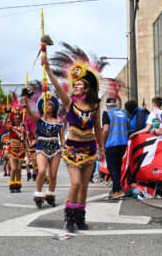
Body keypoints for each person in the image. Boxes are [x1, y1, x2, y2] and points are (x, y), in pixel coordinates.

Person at [42, 43, 105, 232]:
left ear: (85, 89)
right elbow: (55, 85)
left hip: (90, 149)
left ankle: (80, 217)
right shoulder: (69, 104)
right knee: (76, 183)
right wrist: (46, 67)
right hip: (72, 149)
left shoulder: (95, 106)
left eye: (78, 85)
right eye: (74, 85)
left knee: (84, 186)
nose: (75, 87)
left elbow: (98, 128)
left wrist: (101, 149)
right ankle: (69, 218)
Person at [22, 91, 65, 208]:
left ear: (55, 107)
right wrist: (26, 100)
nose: (48, 105)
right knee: (41, 171)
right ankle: (39, 194)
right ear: (42, 106)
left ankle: (50, 195)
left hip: (55, 149)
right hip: (41, 148)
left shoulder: (58, 122)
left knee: (53, 175)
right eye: (46, 104)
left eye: (50, 104)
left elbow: (62, 138)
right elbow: (30, 112)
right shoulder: (39, 119)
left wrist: (65, 148)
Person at [101, 98, 129, 199]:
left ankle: (118, 190)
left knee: (112, 168)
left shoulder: (107, 113)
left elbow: (105, 130)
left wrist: (102, 144)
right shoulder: (123, 114)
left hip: (112, 143)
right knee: (117, 167)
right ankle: (114, 189)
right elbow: (128, 128)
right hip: (123, 143)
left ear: (107, 105)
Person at [4, 103, 27, 193]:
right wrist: (7, 115)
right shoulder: (11, 127)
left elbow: (25, 138)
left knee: (19, 169)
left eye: (19, 118)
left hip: (21, 149)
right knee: (13, 168)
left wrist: (25, 132)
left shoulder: (23, 128)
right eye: (16, 118)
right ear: (13, 119)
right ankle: (12, 184)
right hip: (12, 149)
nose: (17, 119)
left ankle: (18, 185)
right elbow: (4, 124)